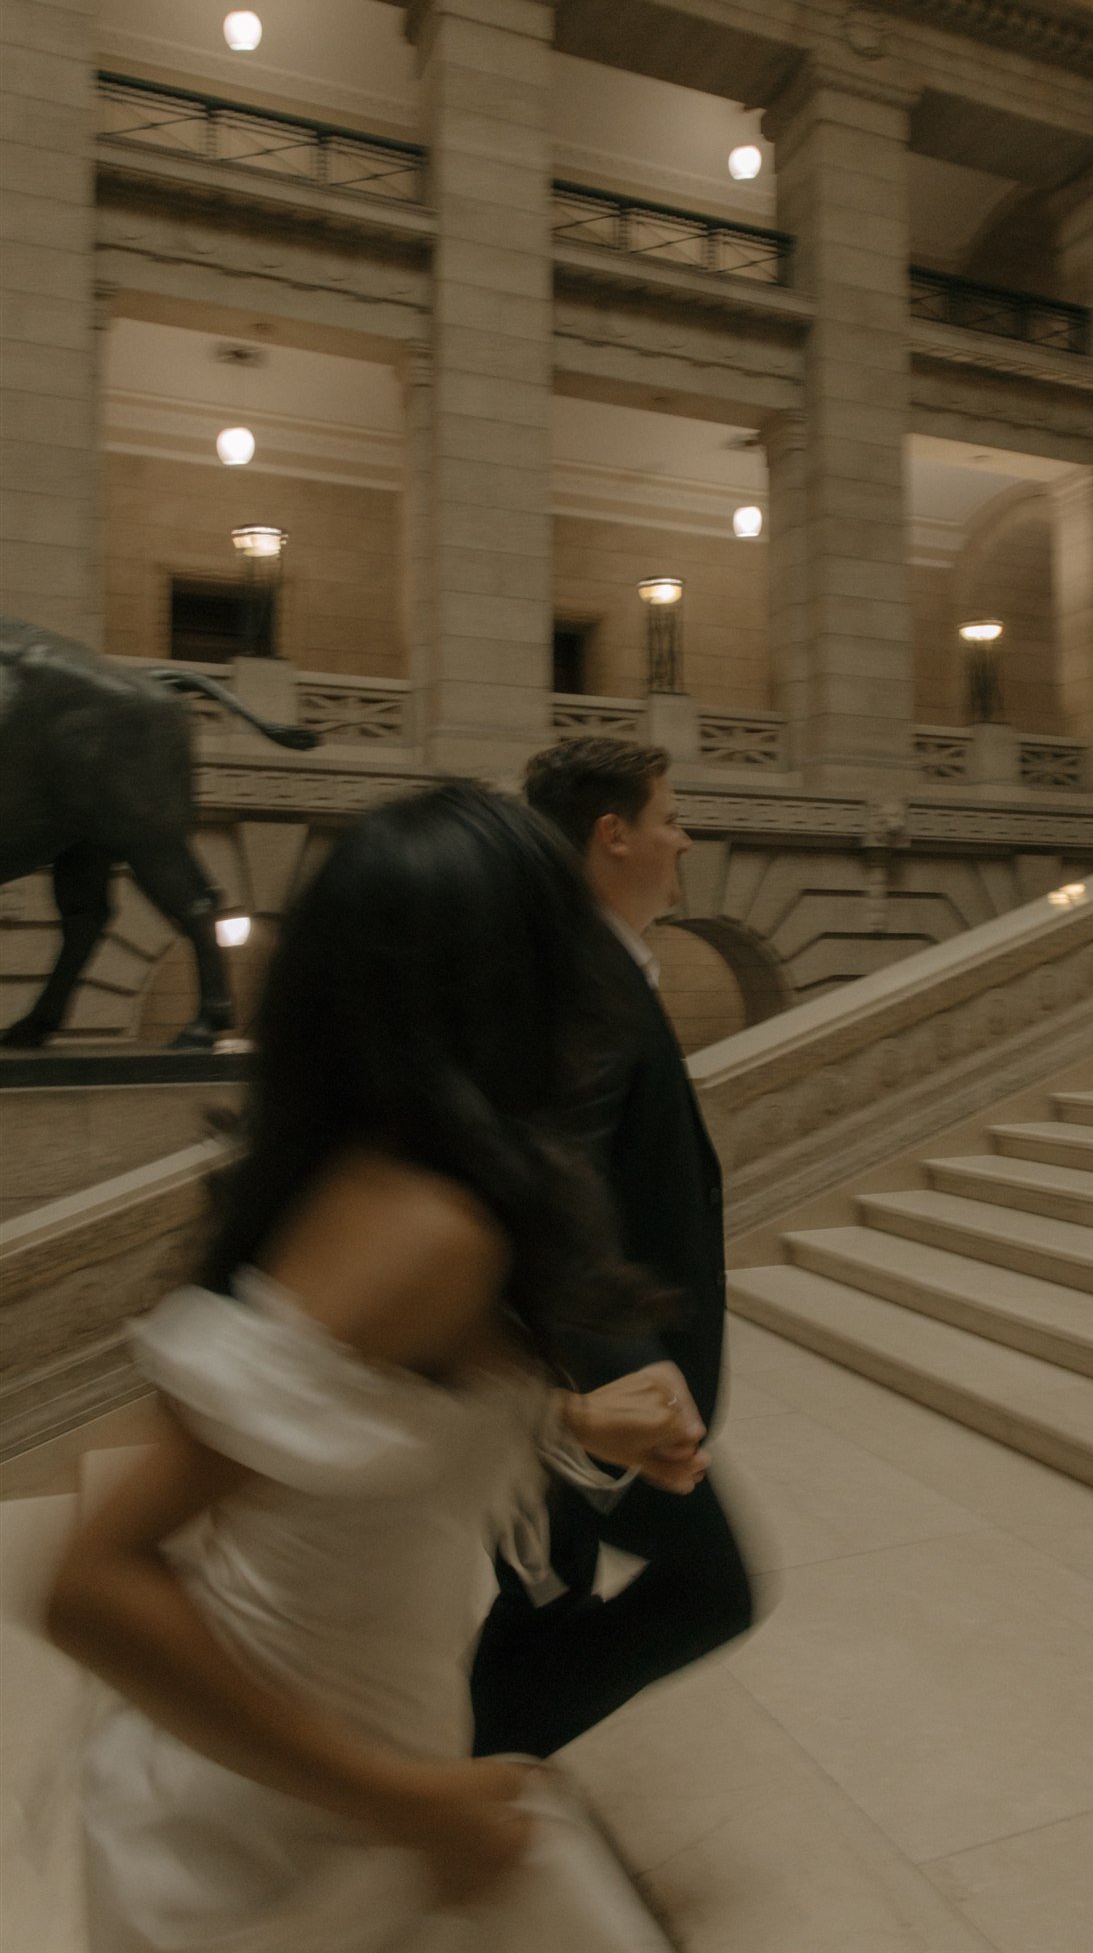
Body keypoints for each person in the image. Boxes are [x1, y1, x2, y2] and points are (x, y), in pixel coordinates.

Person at [43, 781, 707, 1953]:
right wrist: (405, 1801)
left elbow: (373, 1409)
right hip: (284, 1829)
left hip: (330, 1777)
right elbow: (94, 1584)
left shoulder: (392, 1171)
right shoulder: (429, 1223)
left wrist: (571, 1418)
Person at [469, 737, 755, 1762]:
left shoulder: (579, 958)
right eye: (670, 815)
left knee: (544, 1589)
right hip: (600, 1374)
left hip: (582, 1373)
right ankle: (465, 1773)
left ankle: (485, 1771)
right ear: (612, 832)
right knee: (713, 1589)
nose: (684, 838)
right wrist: (617, 1387)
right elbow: (558, 1200)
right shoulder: (580, 974)